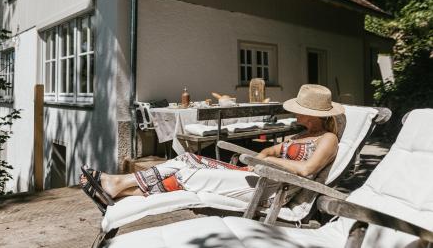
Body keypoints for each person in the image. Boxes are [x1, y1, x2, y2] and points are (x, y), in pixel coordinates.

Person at [80, 84, 345, 213]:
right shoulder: (301, 135)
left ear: (313, 114)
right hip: (257, 176)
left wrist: (268, 164)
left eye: (299, 111)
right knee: (187, 159)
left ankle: (120, 186)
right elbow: (268, 153)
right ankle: (122, 188)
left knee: (187, 175)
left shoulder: (327, 139)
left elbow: (308, 169)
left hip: (273, 190)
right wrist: (259, 158)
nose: (295, 114)